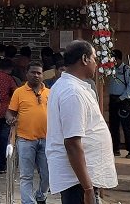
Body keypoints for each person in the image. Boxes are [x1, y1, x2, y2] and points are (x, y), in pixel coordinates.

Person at [46, 40, 117, 204]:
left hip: (81, 179)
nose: (96, 63)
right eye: (94, 58)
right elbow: (72, 143)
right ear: (85, 59)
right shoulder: (72, 92)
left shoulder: (75, 87)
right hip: (76, 182)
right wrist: (88, 189)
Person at [8, 60, 51, 204]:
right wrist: (10, 119)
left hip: (47, 140)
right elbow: (10, 112)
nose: (36, 75)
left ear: (42, 75)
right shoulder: (19, 92)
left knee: (47, 175)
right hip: (25, 140)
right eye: (33, 72)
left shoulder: (50, 93)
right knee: (26, 176)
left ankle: (41, 196)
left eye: (39, 73)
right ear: (27, 74)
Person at [107, 49, 130, 159]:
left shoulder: (127, 71)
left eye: (113, 58)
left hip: (123, 101)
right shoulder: (110, 70)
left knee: (126, 127)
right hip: (113, 99)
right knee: (113, 126)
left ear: (118, 59)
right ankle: (116, 149)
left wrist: (121, 98)